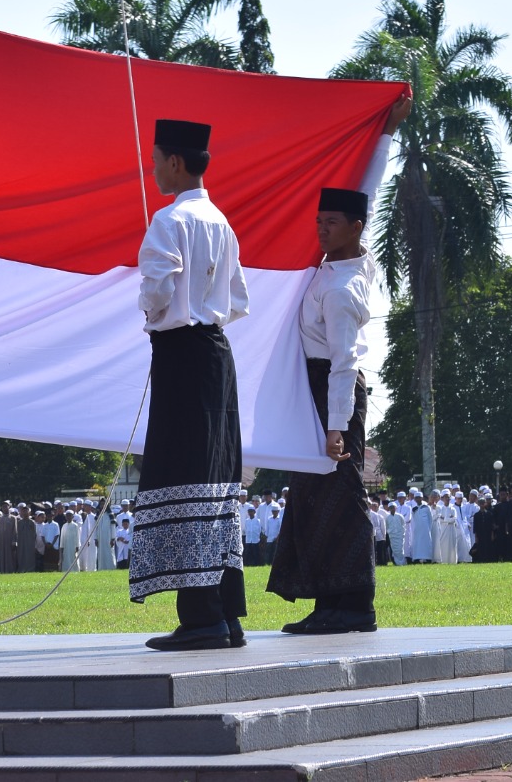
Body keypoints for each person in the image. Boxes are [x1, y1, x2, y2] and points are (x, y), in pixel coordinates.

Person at [268, 99, 404, 638]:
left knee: (340, 501)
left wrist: (334, 428)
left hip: (332, 393)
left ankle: (353, 605)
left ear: (356, 227)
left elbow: (345, 363)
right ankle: (329, 601)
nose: (321, 229)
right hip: (315, 391)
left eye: (332, 222)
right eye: (318, 220)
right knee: (313, 499)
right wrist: (383, 137)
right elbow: (364, 187)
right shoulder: (337, 265)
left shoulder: (345, 287)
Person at [128, 118, 250, 652]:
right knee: (216, 481)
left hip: (181, 355)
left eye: (156, 159)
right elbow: (240, 300)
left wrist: (153, 312)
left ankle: (201, 618)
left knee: (183, 478)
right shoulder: (222, 222)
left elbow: (156, 290)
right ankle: (225, 613)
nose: (152, 168)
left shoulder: (170, 220)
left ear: (175, 161)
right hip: (216, 355)